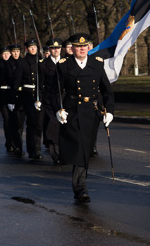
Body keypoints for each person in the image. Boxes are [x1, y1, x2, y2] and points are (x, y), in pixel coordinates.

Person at [51, 33, 114, 202]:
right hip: (72, 112)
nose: (81, 49)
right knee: (78, 147)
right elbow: (53, 91)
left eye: (84, 46)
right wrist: (58, 109)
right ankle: (80, 188)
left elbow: (107, 90)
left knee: (86, 148)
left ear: (89, 47)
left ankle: (80, 184)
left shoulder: (97, 64)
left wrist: (109, 112)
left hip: (91, 112)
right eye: (78, 47)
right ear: (72, 48)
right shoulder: (64, 66)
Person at [10, 39, 44, 159]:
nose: (33, 49)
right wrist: (13, 100)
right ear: (27, 49)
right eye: (31, 47)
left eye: (35, 47)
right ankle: (33, 150)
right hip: (27, 96)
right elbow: (16, 82)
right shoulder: (22, 63)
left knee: (39, 124)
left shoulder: (41, 61)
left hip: (40, 95)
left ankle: (38, 147)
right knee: (32, 122)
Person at [40, 38, 62, 164]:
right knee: (53, 126)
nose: (55, 50)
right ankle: (55, 153)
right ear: (49, 49)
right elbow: (40, 83)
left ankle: (65, 152)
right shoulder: (43, 64)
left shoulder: (66, 62)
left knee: (64, 126)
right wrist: (38, 99)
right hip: (49, 99)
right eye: (53, 48)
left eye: (58, 48)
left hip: (64, 98)